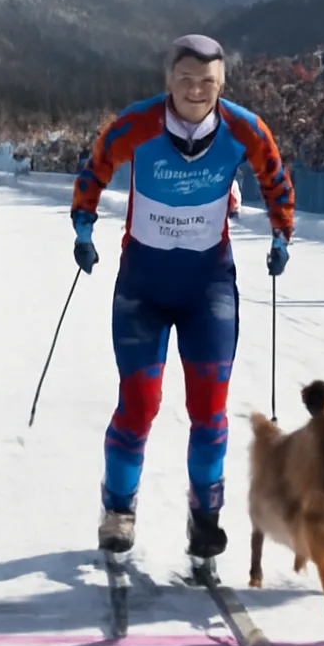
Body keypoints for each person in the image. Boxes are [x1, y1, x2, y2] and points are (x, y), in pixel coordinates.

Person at [72, 34, 295, 559]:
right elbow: (96, 164)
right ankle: (119, 509)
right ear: (169, 80)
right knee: (139, 404)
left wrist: (282, 233)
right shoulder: (138, 123)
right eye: (186, 80)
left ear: (223, 85)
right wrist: (83, 225)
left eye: (208, 83)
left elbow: (274, 176)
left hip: (207, 288)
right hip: (142, 288)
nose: (197, 92)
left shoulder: (243, 128)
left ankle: (205, 517)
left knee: (209, 409)